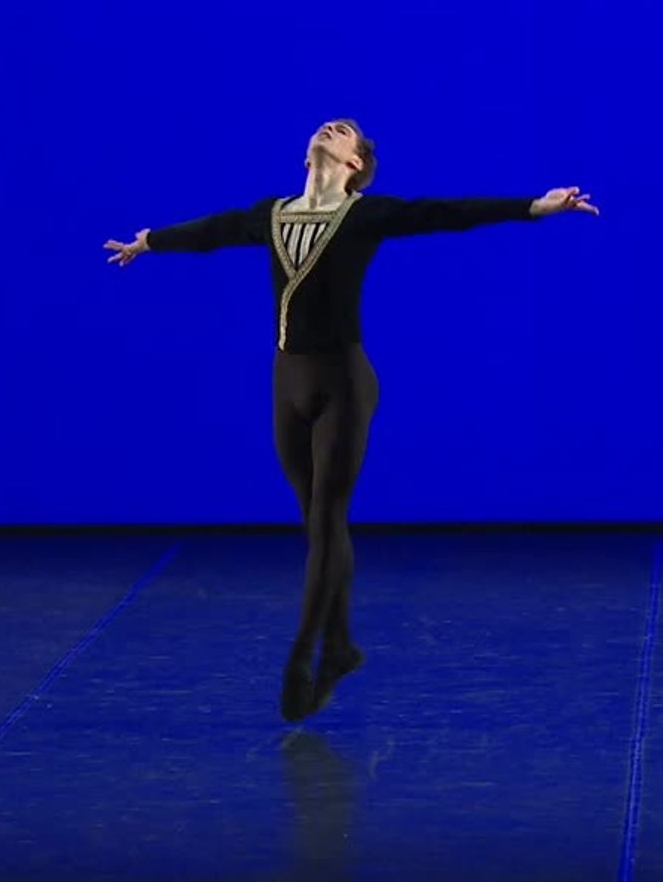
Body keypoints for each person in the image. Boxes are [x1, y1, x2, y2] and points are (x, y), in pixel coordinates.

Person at [103, 119, 598, 722]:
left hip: (343, 383)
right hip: (287, 382)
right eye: (327, 127)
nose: (331, 129)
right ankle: (340, 645)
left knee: (327, 517)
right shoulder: (272, 214)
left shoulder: (364, 215)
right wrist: (150, 241)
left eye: (344, 133)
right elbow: (216, 231)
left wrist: (535, 207)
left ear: (355, 164)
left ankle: (303, 655)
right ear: (306, 156)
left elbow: (445, 213)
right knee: (316, 524)